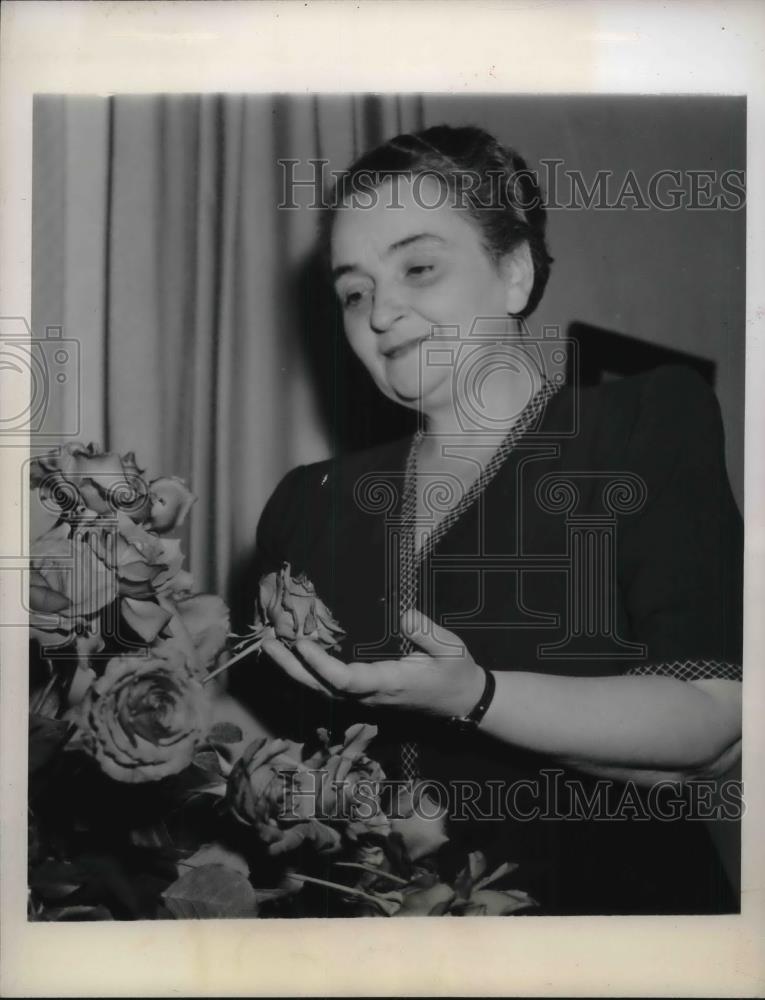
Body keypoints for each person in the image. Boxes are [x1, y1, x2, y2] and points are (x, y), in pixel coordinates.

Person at [244, 125, 743, 915]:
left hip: (606, 928)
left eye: (418, 267)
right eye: (354, 291)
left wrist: (474, 695)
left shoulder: (642, 424)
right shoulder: (309, 502)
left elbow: (711, 720)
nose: (381, 312)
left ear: (512, 273)